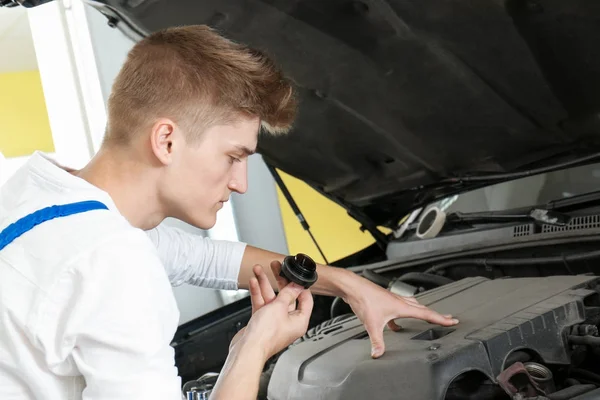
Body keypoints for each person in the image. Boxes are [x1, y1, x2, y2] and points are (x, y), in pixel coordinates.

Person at [0, 25, 458, 400]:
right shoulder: (112, 261)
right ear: (167, 141)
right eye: (232, 156)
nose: (239, 183)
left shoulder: (41, 192)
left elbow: (204, 259)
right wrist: (252, 346)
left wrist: (349, 284)